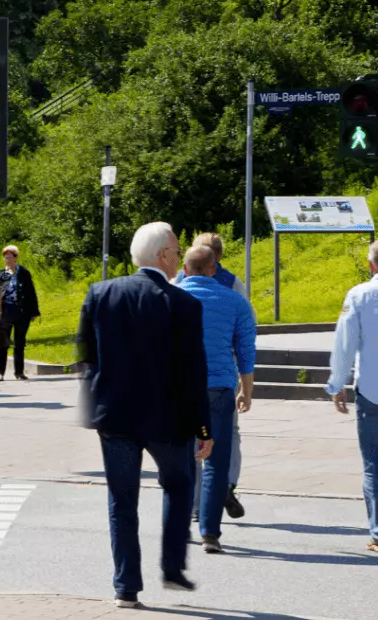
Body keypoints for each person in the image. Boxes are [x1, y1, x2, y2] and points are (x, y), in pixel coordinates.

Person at [76, 221, 213, 608]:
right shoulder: (183, 304)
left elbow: (85, 356)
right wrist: (203, 428)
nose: (179, 256)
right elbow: (194, 371)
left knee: (122, 501)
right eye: (176, 249)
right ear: (163, 255)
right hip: (166, 421)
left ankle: (126, 587)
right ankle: (172, 567)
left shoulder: (100, 293)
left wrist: (95, 405)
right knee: (179, 485)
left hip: (116, 418)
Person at [178, 246, 256, 554]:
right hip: (218, 388)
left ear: (185, 269)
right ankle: (210, 533)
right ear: (214, 269)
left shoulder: (168, 298)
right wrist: (246, 390)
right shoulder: (235, 301)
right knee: (216, 461)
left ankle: (180, 524)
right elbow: (246, 350)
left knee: (182, 457)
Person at [326, 240, 378, 554]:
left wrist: (336, 383)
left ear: (371, 265)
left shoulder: (359, 295)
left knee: (373, 464)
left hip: (371, 390)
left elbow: (345, 344)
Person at [0, 246, 39, 381]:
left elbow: (31, 292)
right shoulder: (1, 274)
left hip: (21, 311)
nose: (7, 260)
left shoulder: (24, 273)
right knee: (3, 343)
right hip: (5, 311)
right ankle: (0, 372)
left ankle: (19, 372)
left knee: (20, 343)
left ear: (16, 258)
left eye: (10, 257)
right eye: (5, 258)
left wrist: (34, 311)